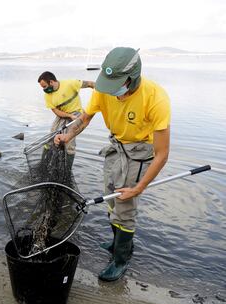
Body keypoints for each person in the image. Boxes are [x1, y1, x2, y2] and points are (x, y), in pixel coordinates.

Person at [54, 47, 171, 281]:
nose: (112, 90)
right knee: (109, 197)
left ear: (133, 77)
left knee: (125, 205)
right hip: (115, 146)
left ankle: (121, 259)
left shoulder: (156, 98)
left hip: (140, 152)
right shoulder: (104, 88)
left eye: (117, 83)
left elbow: (162, 154)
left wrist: (139, 188)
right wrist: (67, 136)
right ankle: (118, 242)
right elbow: (85, 118)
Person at [37, 72, 95, 167]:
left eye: (44, 86)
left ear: (51, 82)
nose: (44, 89)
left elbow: (90, 84)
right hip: (62, 115)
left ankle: (67, 172)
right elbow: (55, 111)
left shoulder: (70, 83)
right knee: (51, 138)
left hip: (76, 114)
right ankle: (43, 165)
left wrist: (101, 93)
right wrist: (69, 116)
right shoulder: (47, 96)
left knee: (69, 142)